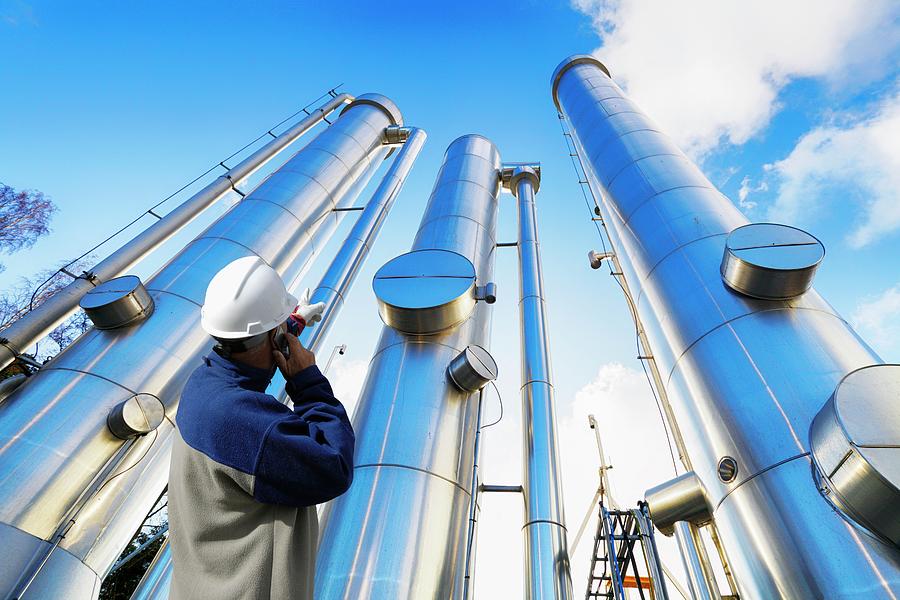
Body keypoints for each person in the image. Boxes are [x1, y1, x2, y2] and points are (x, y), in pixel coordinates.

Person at [168, 256, 355, 600]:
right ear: (273, 338)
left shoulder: (204, 384)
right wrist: (308, 383)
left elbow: (249, 341)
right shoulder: (249, 424)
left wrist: (292, 323)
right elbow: (335, 465)